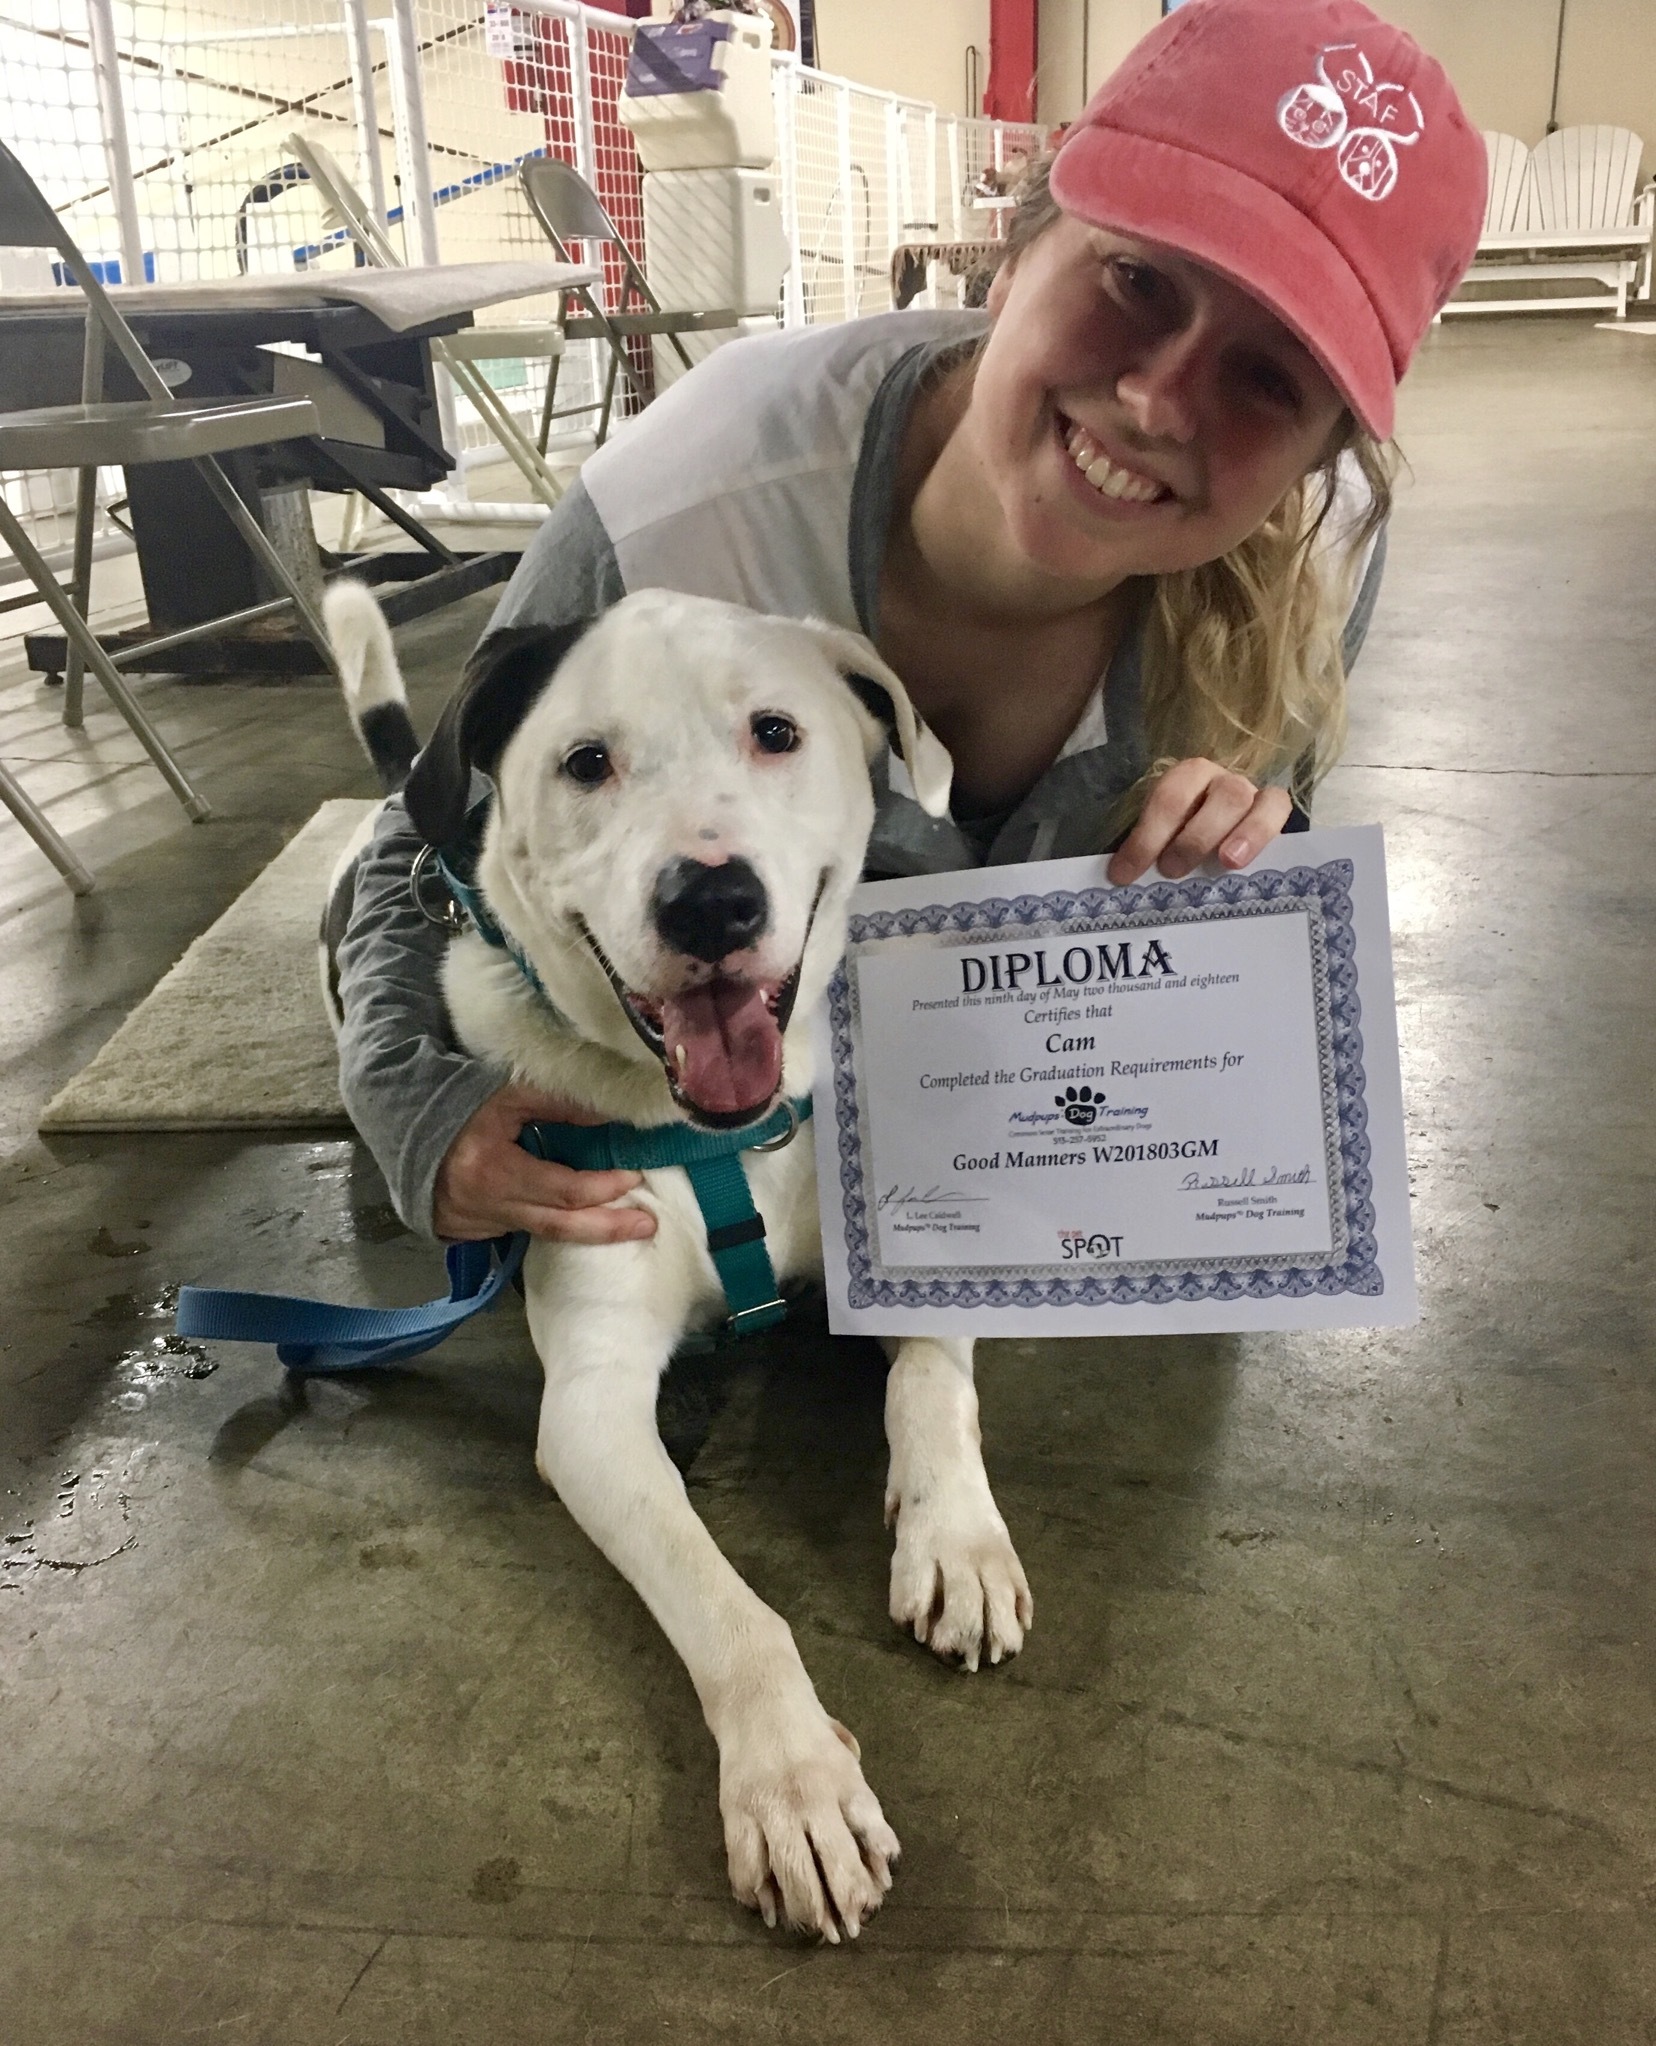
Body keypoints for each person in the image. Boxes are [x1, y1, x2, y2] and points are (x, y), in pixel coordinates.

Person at [336, 0, 1485, 1249]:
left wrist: (1258, 851)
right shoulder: (685, 507)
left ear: (1322, 453)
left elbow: (1250, 915)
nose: (1158, 401)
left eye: (1271, 377)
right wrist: (411, 1097)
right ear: (1016, 250)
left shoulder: (1309, 572)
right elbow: (431, 830)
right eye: (1138, 280)